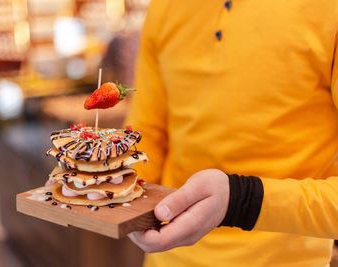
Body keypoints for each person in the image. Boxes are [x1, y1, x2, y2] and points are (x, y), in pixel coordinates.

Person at [125, 0, 338, 266]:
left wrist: (240, 199)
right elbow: (147, 137)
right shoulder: (165, 6)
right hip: (166, 257)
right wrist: (111, 180)